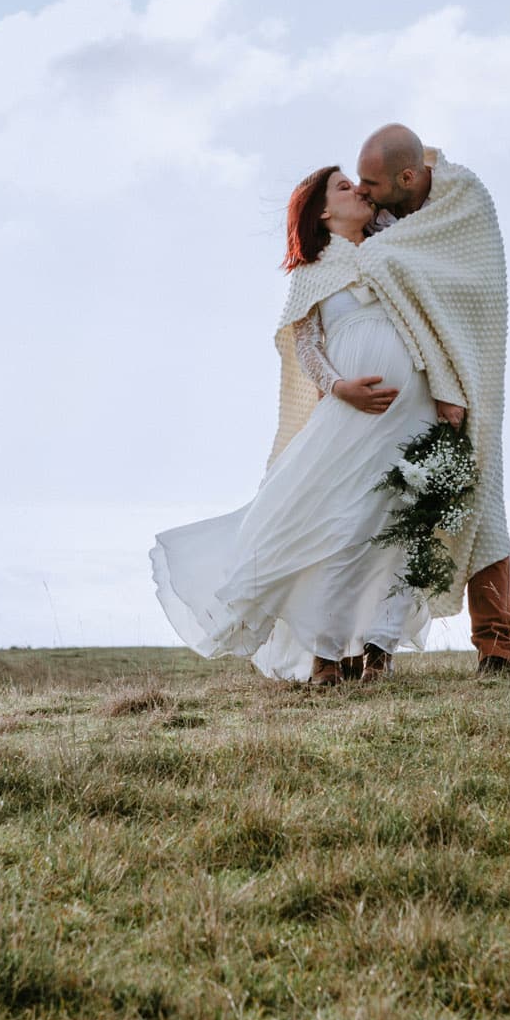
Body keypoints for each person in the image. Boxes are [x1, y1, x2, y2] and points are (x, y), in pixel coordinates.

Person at [149, 166, 442, 685]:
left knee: (403, 524)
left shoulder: (394, 249)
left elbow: (427, 176)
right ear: (324, 212)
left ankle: (378, 648)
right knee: (344, 527)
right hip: (353, 415)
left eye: (362, 184)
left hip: (412, 408)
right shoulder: (312, 273)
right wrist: (340, 388)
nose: (360, 191)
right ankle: (327, 654)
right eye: (346, 187)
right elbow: (306, 347)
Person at [352, 124, 510, 675]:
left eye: (371, 182)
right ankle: (369, 644)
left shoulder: (462, 201)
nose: (362, 191)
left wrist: (454, 383)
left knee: (480, 498)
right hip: (405, 387)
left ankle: (496, 644)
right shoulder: (375, 218)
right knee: (396, 510)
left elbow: (472, 287)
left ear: (407, 176)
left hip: (467, 374)